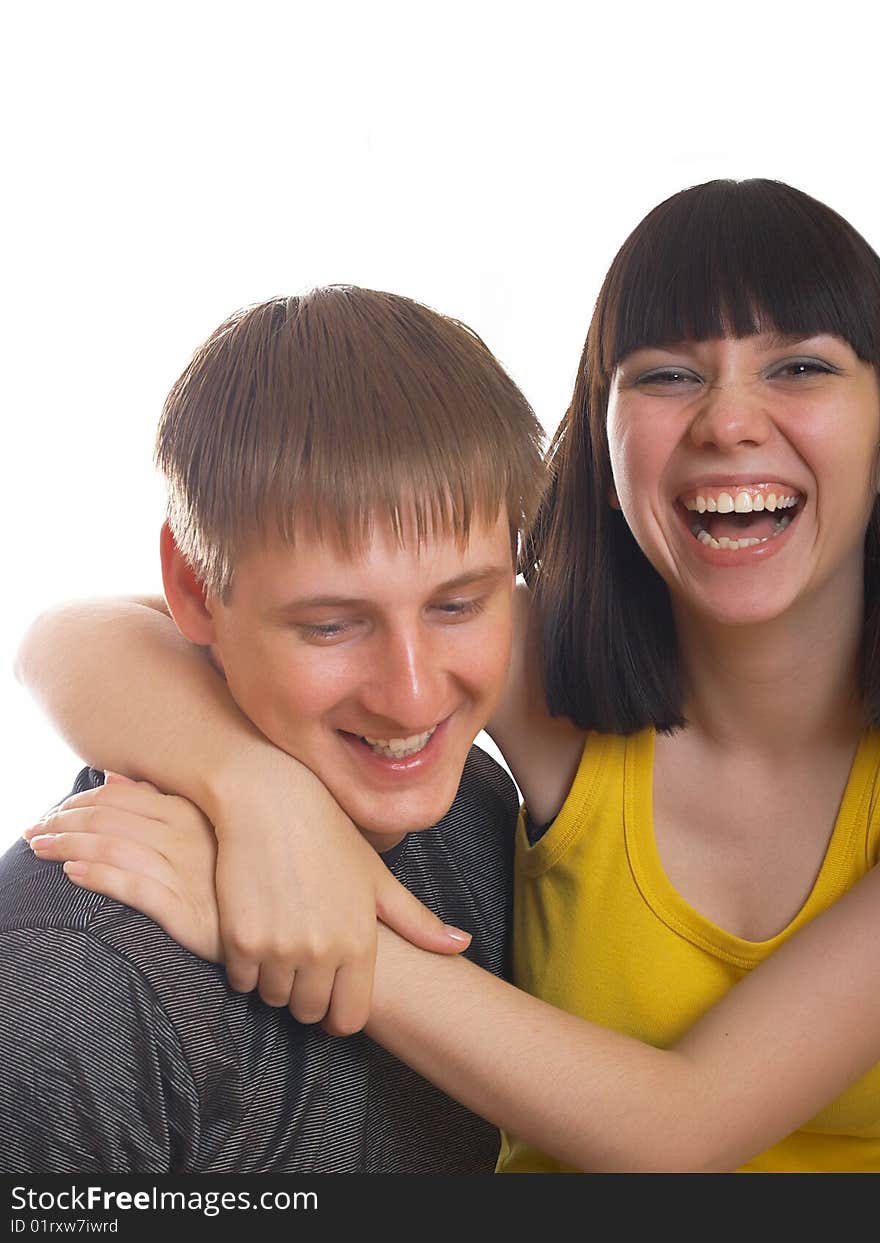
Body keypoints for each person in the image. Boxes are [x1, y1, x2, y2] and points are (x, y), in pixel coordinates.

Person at [17, 178, 880, 1173]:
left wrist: (318, 918)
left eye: (801, 366)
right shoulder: (535, 664)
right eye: (667, 375)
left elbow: (680, 1131)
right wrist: (255, 796)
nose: (728, 421)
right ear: (598, 433)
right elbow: (71, 637)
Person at [1, 285, 548, 1173]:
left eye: (458, 603)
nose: (411, 699)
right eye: (330, 625)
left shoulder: (475, 813)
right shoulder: (68, 984)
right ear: (192, 588)